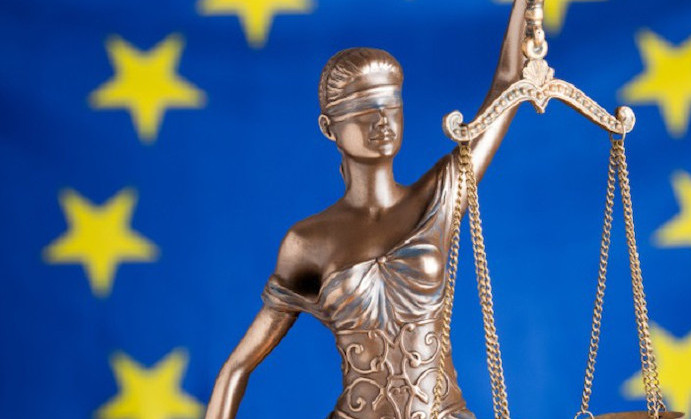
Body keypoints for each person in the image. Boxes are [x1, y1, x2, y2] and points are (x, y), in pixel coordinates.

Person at [205, 1, 527, 418]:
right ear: (329, 128)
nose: (383, 123)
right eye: (364, 112)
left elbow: (508, 84)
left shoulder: (438, 198)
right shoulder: (306, 243)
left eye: (392, 107)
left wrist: (525, 8)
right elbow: (237, 367)